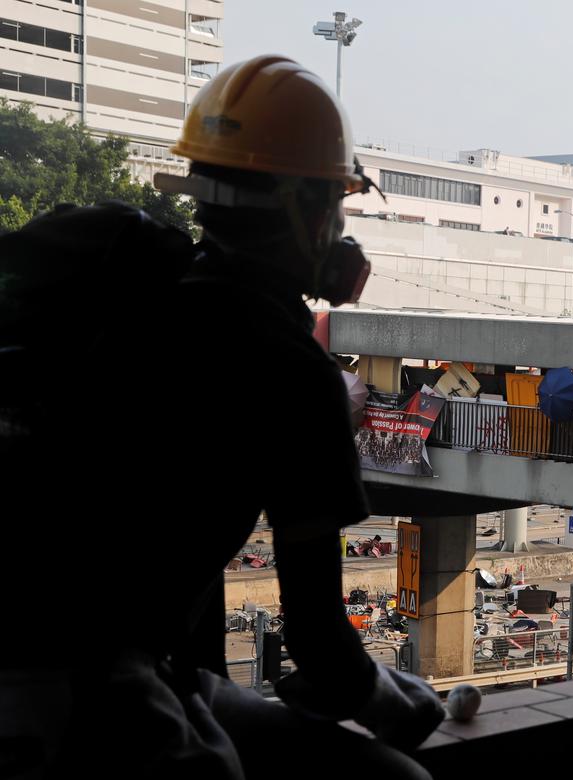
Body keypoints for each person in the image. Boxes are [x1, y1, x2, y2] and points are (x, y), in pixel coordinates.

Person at [1, 56, 442, 778]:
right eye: (337, 204)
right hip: (75, 683)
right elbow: (323, 649)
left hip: (128, 658)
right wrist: (400, 707)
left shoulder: (141, 299)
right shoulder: (289, 368)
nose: (341, 229)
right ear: (303, 206)